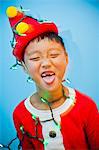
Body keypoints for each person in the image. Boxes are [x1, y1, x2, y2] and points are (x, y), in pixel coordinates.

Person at [6, 6, 99, 150]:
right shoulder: (20, 113)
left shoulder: (86, 107)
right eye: (35, 58)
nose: (46, 63)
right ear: (24, 67)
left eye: (54, 55)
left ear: (66, 59)